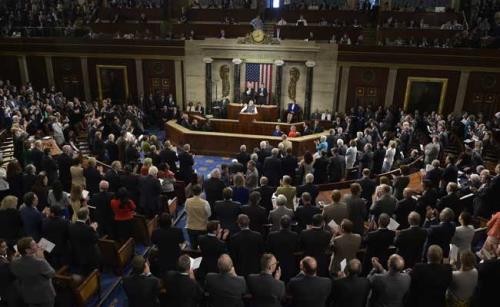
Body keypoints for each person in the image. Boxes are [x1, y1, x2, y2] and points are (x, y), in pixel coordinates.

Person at [10, 237, 56, 307]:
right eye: (34, 244)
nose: (37, 245)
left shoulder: (14, 262)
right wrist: (42, 258)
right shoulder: (40, 262)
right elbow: (52, 274)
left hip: (29, 297)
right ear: (27, 250)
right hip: (45, 296)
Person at [68, 208, 100, 275]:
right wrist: (94, 229)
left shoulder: (71, 226)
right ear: (87, 216)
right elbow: (96, 239)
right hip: (89, 255)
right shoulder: (89, 229)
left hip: (76, 253)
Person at [266, 215, 299, 283]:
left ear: (280, 224)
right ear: (290, 225)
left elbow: (268, 249)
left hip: (275, 263)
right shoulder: (294, 235)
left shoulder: (272, 235)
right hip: (290, 263)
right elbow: (297, 249)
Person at [185, 184, 211, 249]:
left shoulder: (187, 201)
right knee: (203, 247)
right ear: (201, 192)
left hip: (191, 227)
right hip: (202, 227)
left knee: (193, 247)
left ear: (192, 192)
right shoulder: (205, 203)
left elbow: (186, 211)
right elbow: (209, 214)